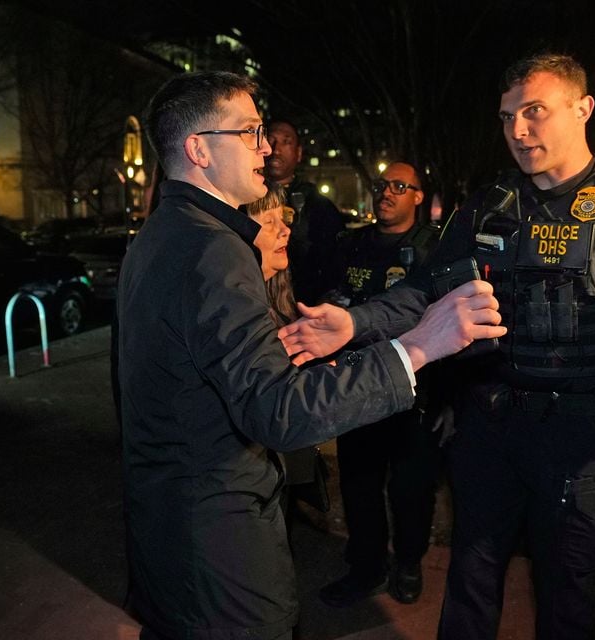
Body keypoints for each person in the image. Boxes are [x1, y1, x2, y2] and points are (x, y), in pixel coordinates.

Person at [279, 52, 595, 640]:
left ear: (583, 109)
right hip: (489, 430)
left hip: (583, 441)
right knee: (471, 579)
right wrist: (355, 323)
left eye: (534, 111)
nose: (517, 129)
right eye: (507, 115)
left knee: (567, 597)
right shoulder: (488, 206)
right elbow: (426, 291)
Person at [117, 70, 506, 640]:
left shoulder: (161, 234)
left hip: (169, 527)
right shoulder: (213, 251)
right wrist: (417, 346)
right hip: (216, 543)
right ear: (198, 149)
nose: (267, 146)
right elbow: (279, 413)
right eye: (249, 132)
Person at [319, 161, 443, 607]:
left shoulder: (435, 250)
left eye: (398, 186)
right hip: (358, 386)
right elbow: (331, 296)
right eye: (380, 185)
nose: (385, 193)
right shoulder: (352, 246)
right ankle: (366, 566)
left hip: (416, 391)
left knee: (411, 488)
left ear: (417, 196)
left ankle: (408, 563)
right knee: (359, 484)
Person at [265, 119, 346, 304]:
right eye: (270, 140)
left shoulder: (316, 204)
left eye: (286, 142)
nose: (276, 149)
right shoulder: (242, 197)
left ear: (299, 153)